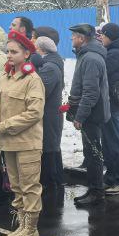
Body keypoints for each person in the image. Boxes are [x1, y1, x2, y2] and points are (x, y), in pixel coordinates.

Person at [0, 30, 46, 236]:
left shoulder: (32, 79)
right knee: (16, 186)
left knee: (30, 186)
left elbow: (34, 113)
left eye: (14, 52)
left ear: (26, 54)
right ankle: (23, 225)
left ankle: (31, 229)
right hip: (8, 142)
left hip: (27, 142)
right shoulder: (6, 77)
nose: (9, 55)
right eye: (7, 51)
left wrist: (5, 125)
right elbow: (1, 103)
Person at [65, 24, 111, 207]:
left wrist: (80, 116)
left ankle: (97, 192)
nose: (71, 39)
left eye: (74, 36)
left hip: (92, 115)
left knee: (93, 153)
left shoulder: (90, 58)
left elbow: (91, 93)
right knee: (91, 152)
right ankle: (94, 189)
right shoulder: (87, 56)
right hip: (91, 114)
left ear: (82, 38)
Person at [97, 22, 119, 194]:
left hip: (113, 103)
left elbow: (101, 72)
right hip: (110, 102)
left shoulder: (115, 54)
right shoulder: (112, 51)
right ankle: (111, 177)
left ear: (110, 36)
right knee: (109, 141)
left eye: (103, 35)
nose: (101, 38)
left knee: (115, 141)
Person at [33, 34, 67, 211]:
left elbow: (41, 91)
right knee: (51, 146)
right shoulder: (51, 64)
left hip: (49, 114)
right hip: (50, 113)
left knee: (49, 147)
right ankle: (55, 180)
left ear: (42, 50)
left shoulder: (49, 67)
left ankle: (51, 183)